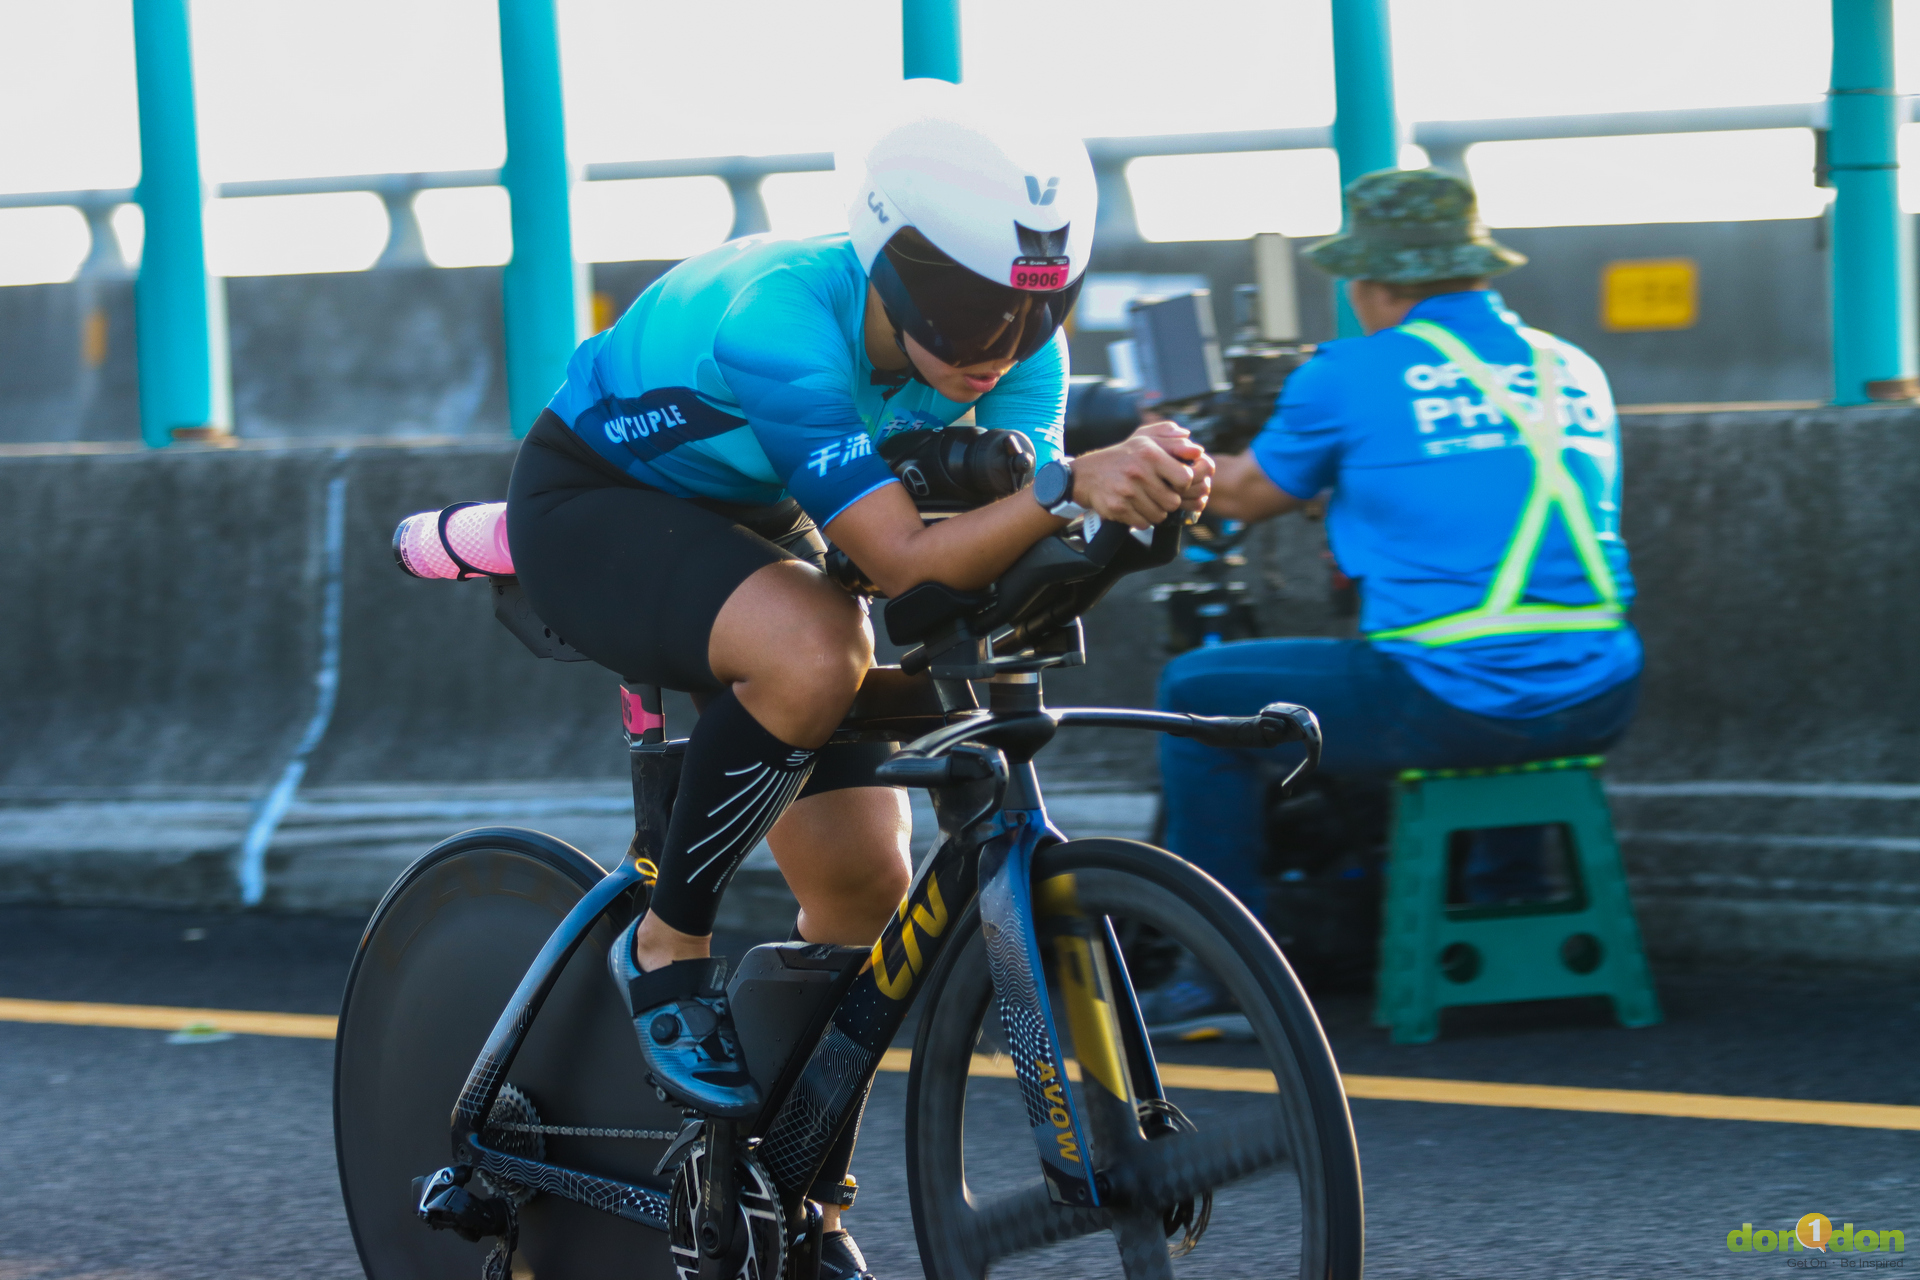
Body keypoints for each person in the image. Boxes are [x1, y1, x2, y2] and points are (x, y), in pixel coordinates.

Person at [504, 82, 1212, 1277]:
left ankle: (796, 1195)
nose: (995, 347)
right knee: (817, 648)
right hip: (598, 504)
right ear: (885, 258)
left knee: (868, 889)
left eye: (1032, 315)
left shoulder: (1016, 359)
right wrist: (1059, 487)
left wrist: (1133, 509)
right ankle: (667, 944)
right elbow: (896, 559)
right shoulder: (784, 316)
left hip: (763, 520)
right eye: (966, 304)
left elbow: (958, 581)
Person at [1145, 167, 1642, 1035]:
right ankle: (1506, 908)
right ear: (1478, 270)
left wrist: (1147, 445)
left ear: (1372, 284)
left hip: (1448, 702)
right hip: (1601, 692)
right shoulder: (1574, 369)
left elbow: (1241, 494)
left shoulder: (1352, 373)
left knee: (1193, 690)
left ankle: (1216, 974)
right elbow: (1485, 494)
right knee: (1499, 650)